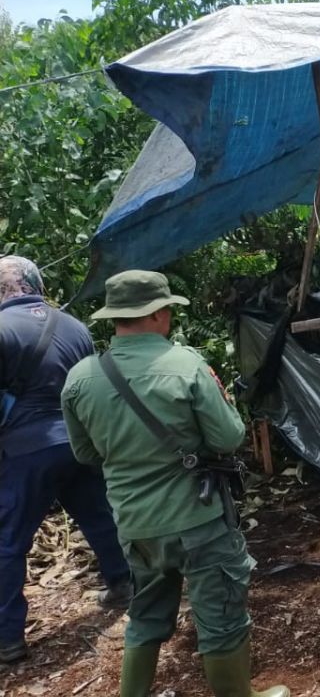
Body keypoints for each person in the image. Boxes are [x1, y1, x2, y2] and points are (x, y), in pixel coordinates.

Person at [61, 271, 288, 697]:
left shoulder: (80, 378)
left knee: (145, 612)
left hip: (134, 523)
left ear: (116, 317)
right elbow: (228, 437)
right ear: (159, 314)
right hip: (196, 518)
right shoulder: (185, 366)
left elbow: (86, 455)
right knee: (221, 614)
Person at [0, 256, 131, 664]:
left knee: (6, 543)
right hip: (78, 442)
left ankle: (6, 639)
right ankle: (125, 582)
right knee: (99, 515)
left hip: (25, 450)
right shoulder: (74, 326)